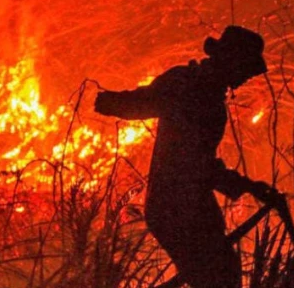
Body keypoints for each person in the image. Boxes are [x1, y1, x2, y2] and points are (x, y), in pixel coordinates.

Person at [94, 25, 276, 288]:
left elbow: (145, 102)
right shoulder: (195, 90)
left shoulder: (193, 85)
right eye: (245, 68)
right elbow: (195, 162)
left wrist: (115, 102)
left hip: (182, 206)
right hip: (179, 209)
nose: (247, 77)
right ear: (231, 62)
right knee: (220, 279)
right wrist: (246, 186)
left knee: (219, 276)